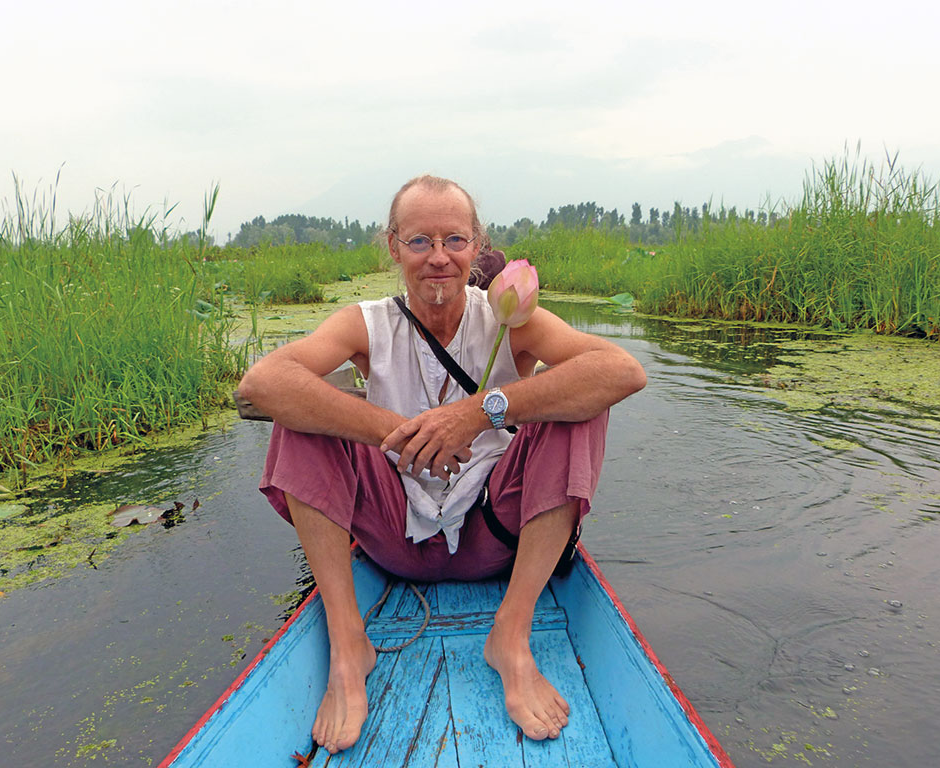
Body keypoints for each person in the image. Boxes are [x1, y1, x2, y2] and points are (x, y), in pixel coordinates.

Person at [237, 175, 646, 755]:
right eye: (419, 241)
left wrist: (482, 411)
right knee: (300, 415)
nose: (438, 258)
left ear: (478, 247)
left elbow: (623, 372)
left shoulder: (509, 319)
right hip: (393, 533)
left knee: (579, 405)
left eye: (454, 240)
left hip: (492, 535)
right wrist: (396, 433)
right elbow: (263, 383)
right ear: (392, 246)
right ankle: (349, 642)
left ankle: (512, 630)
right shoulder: (368, 323)